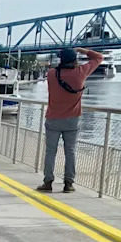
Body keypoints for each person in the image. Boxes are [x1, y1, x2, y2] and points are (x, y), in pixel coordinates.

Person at [36, 47, 104, 193]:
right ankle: (68, 183)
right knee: (70, 151)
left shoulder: (52, 74)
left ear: (61, 59)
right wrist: (82, 50)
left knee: (50, 151)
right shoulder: (81, 72)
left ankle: (48, 182)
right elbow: (99, 58)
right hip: (72, 120)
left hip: (53, 118)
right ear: (75, 60)